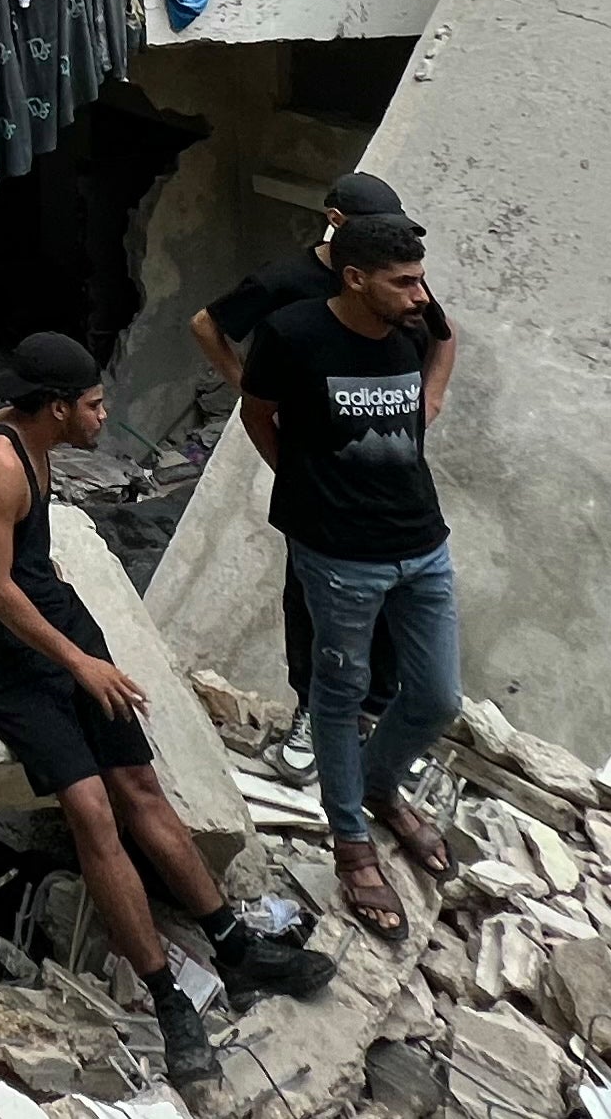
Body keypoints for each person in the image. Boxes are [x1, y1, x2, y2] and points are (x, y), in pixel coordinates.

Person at [0, 333, 336, 1083]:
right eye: (93, 404)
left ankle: (233, 946)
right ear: (55, 407)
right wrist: (81, 663)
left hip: (57, 621)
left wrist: (73, 630)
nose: (103, 414)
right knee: (90, 811)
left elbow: (26, 562)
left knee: (140, 788)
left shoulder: (33, 439)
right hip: (6, 655)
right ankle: (167, 999)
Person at [242, 212, 467, 945]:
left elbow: (443, 341)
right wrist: (301, 483)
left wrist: (427, 403)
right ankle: (351, 845)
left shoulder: (411, 322)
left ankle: (377, 785)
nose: (418, 295)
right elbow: (257, 412)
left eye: (420, 279)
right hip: (339, 556)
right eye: (402, 282)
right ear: (353, 278)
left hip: (420, 540)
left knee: (434, 696)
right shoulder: (294, 334)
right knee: (336, 698)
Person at [191, 172, 458, 726]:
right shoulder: (287, 288)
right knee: (313, 606)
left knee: (390, 612)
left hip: (393, 488)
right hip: (319, 487)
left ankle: (373, 717)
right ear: (338, 228)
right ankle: (313, 714)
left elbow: (441, 331)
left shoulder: (396, 288)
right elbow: (207, 325)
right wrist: (254, 388)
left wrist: (428, 402)